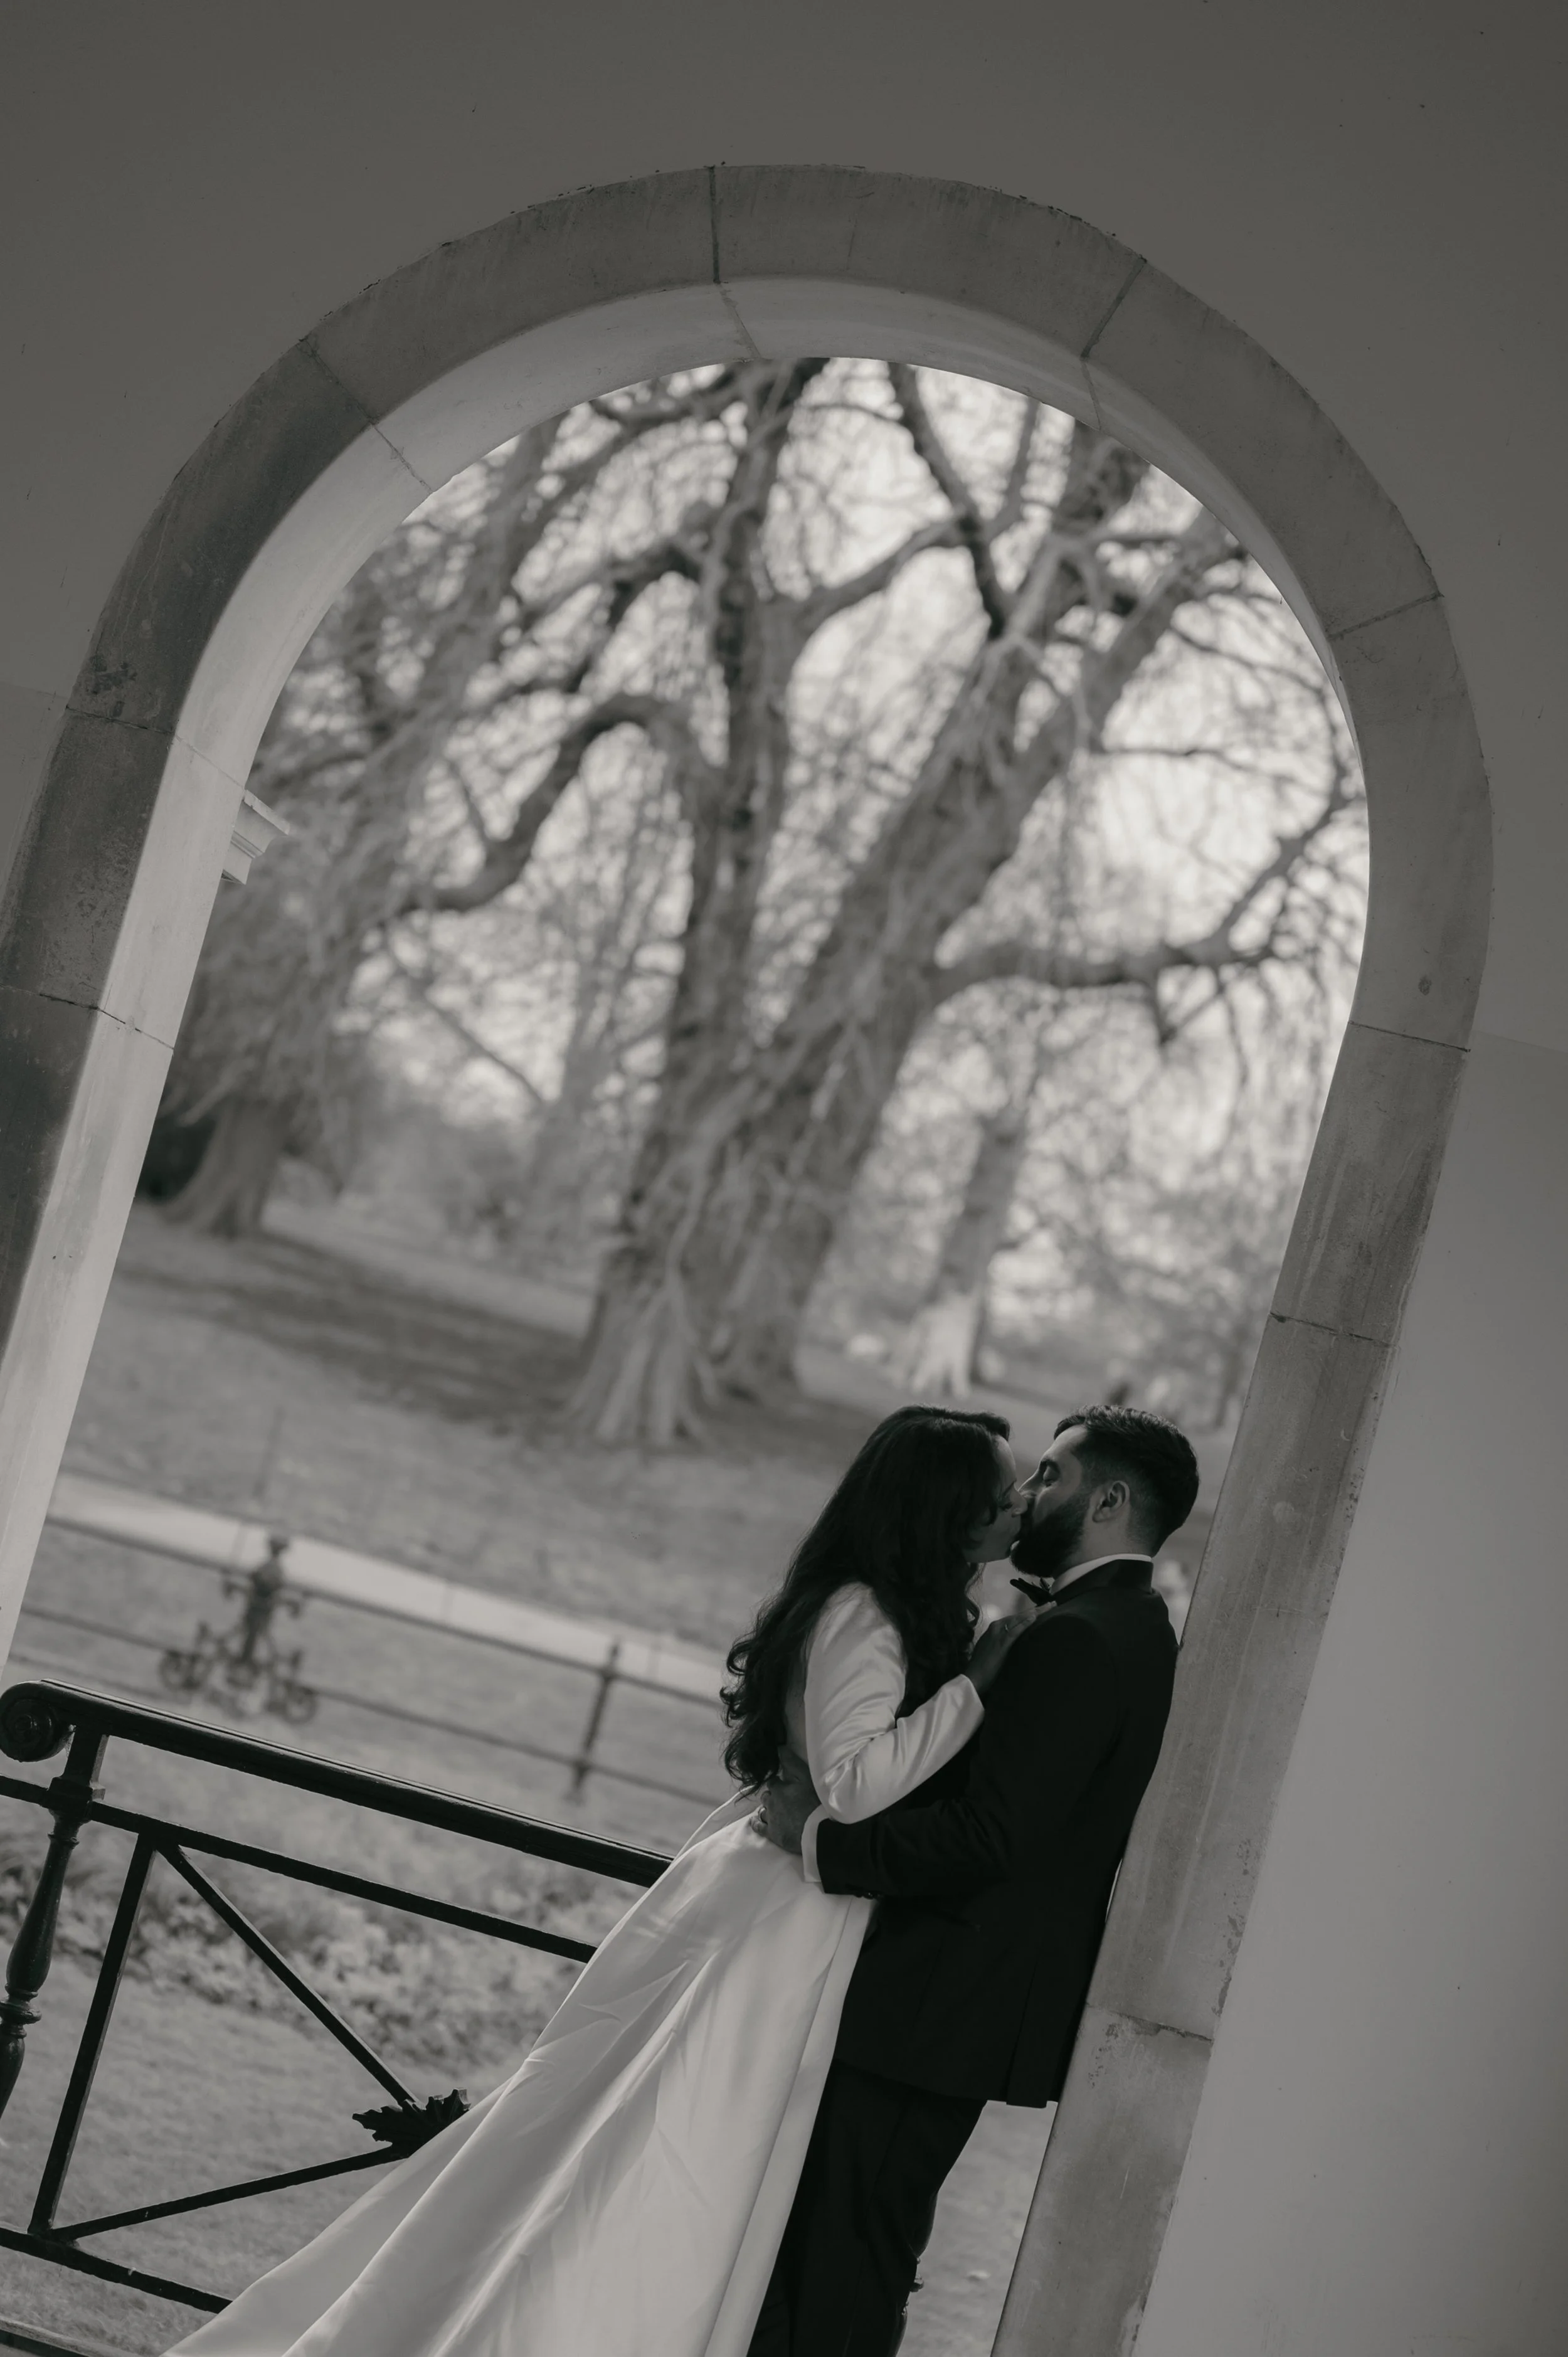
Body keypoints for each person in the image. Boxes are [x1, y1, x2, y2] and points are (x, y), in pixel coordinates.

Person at [166, 1406, 1034, 2357]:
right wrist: (978, 1682)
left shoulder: (897, 1612)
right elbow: (856, 1783)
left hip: (790, 1905)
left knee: (661, 2150)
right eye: (999, 1497)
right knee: (658, 2148)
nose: (1018, 1508)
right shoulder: (862, 1615)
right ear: (941, 1510)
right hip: (772, 1924)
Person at [749, 1402, 1197, 2357]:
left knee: (847, 2252)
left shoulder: (1080, 1636)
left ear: (1111, 1499)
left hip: (939, 2003)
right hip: (957, 2002)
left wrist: (820, 1844)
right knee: (839, 2242)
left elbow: (991, 1833)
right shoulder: (1128, 1624)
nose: (1029, 1494)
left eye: (1051, 1476)